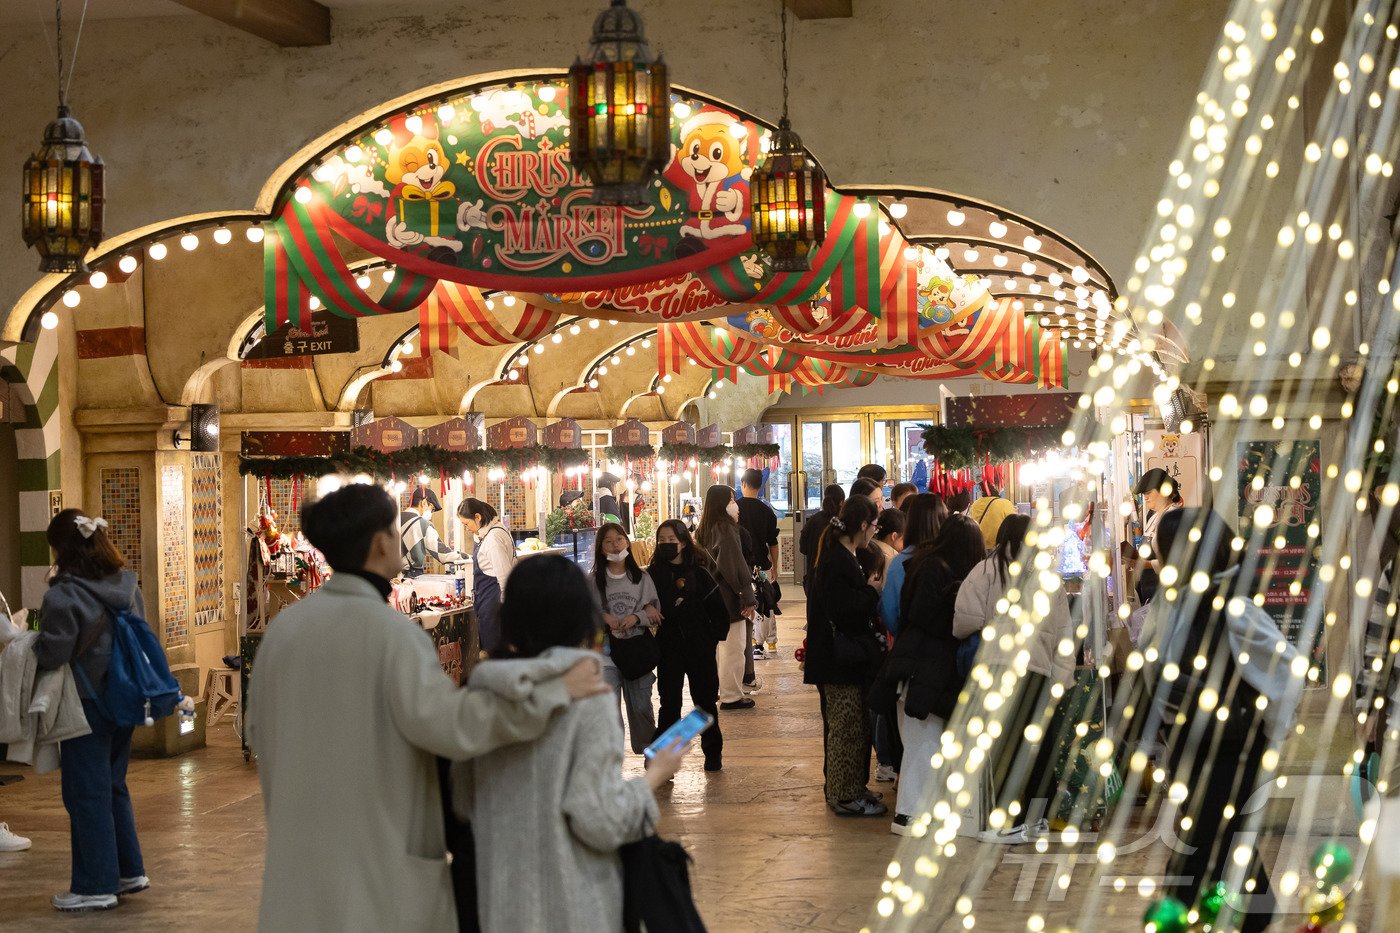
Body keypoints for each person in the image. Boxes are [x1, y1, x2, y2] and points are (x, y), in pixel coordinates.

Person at [247, 484, 607, 932]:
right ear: (381, 542)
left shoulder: (284, 632)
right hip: (379, 869)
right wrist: (551, 691)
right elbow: (452, 727)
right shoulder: (390, 634)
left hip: (297, 868)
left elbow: (258, 730)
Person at [452, 554, 690, 933]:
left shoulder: (481, 694)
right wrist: (655, 776)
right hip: (572, 903)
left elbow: (463, 802)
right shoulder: (587, 698)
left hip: (500, 903)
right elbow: (599, 819)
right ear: (583, 616)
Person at [1134, 508, 1302, 933]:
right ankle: (1254, 916)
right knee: (1224, 852)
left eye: (1168, 551)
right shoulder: (1175, 605)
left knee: (1198, 855)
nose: (1160, 559)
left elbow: (1288, 673)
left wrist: (1267, 735)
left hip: (1231, 755)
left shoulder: (1233, 609)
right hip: (1193, 754)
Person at [32, 509, 149, 912]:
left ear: (63, 549)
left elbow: (53, 652)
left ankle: (95, 884)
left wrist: (25, 641)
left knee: (86, 794)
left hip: (85, 705)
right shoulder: (129, 587)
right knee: (114, 786)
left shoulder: (63, 595)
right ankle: (127, 871)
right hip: (127, 699)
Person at [952, 514, 1075, 844]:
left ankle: (1008, 822)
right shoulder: (1048, 577)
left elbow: (961, 623)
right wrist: (1063, 678)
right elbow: (1065, 633)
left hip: (996, 668)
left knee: (1004, 746)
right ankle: (1037, 820)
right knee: (1038, 745)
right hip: (1036, 672)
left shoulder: (985, 571)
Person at [882, 514, 987, 835]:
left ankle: (919, 813)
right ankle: (909, 816)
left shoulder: (921, 564)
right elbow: (934, 620)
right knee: (923, 744)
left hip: (911, 666)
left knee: (922, 742)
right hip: (922, 671)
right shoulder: (941, 574)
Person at [804, 495, 887, 817]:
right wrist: (870, 591)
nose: (875, 532)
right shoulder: (836, 559)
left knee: (856, 727)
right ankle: (842, 795)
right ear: (863, 525)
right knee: (844, 729)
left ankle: (854, 787)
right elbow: (844, 609)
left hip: (846, 657)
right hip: (837, 659)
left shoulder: (845, 553)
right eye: (874, 526)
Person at [650, 519, 730, 771]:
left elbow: (718, 611)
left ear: (683, 542)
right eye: (661, 540)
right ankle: (665, 759)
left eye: (671, 541)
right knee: (669, 705)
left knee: (704, 703)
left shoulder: (700, 573)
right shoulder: (653, 575)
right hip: (669, 649)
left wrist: (710, 639)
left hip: (699, 649)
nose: (666, 545)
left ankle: (712, 751)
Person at [592, 523, 661, 756]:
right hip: (605, 654)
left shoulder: (642, 578)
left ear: (627, 542)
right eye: (609, 542)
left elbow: (654, 613)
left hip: (636, 651)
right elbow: (583, 613)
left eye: (619, 539)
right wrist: (603, 616)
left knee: (642, 706)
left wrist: (636, 617)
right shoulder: (594, 580)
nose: (615, 545)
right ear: (601, 549)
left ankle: (650, 754)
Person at [694, 484, 758, 711]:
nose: (736, 504)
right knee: (734, 647)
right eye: (731, 499)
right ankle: (731, 696)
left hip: (711, 598)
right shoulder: (725, 528)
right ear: (722, 504)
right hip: (729, 598)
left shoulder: (704, 529)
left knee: (720, 648)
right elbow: (735, 566)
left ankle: (723, 690)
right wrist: (747, 595)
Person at [880, 494, 948, 636]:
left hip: (909, 643)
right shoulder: (950, 557)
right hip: (946, 646)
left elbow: (889, 613)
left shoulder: (898, 563)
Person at [458, 497, 515, 656]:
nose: (467, 529)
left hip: (494, 605)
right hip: (488, 603)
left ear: (478, 517)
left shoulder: (492, 539)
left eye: (466, 524)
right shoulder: (494, 530)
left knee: (493, 653)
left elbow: (504, 577)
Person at [737, 468, 780, 660]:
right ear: (760, 485)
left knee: (746, 602)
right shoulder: (767, 511)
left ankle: (752, 643)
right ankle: (766, 643)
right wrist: (775, 567)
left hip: (741, 564)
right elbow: (773, 542)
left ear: (743, 484)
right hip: (762, 565)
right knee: (765, 602)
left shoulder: (735, 508)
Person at [1132, 467, 1184, 606]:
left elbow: (1176, 561)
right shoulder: (1153, 517)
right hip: (1150, 590)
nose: (1146, 497)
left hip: (1166, 591)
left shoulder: (1173, 517)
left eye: (1149, 493)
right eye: (1144, 494)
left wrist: (1147, 564)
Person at [400, 488, 461, 578]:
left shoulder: (394, 518)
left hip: (389, 576)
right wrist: (468, 558)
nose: (431, 514)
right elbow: (442, 555)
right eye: (431, 509)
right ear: (424, 502)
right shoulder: (423, 524)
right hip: (409, 577)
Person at [800, 484, 845, 592]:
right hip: (837, 580)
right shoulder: (843, 522)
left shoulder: (813, 520)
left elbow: (803, 548)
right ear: (841, 502)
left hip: (814, 579)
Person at [970, 477, 1017, 551]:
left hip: (981, 547)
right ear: (996, 486)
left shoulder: (975, 504)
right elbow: (1013, 525)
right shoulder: (1005, 503)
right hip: (999, 548)